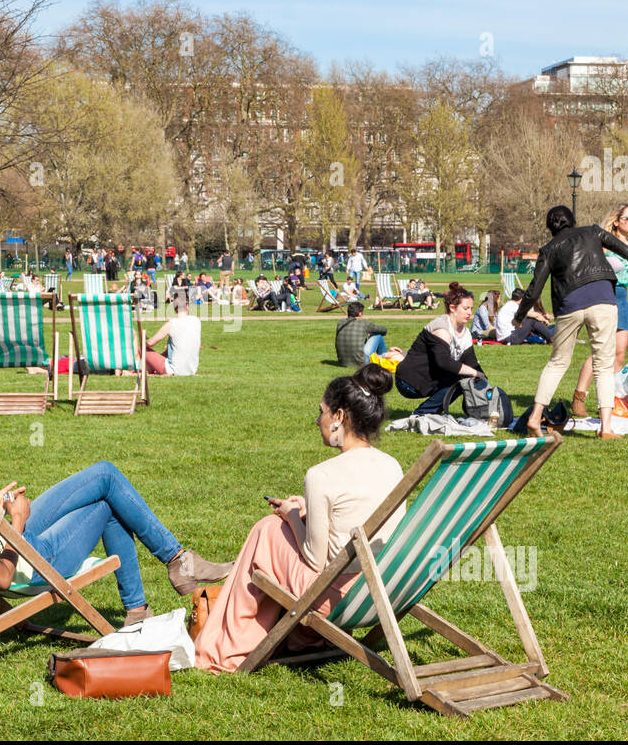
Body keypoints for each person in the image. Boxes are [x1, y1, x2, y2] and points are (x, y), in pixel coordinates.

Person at [194, 364, 403, 673]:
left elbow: (316, 561)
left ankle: (228, 646)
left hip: (336, 600)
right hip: (384, 590)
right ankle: (300, 638)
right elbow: (358, 514)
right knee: (275, 528)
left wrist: (292, 515)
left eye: (322, 412)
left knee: (268, 529)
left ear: (340, 417)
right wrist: (310, 508)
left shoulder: (322, 474)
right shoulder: (392, 465)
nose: (317, 420)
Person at [0, 463, 231, 627]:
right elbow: (1, 579)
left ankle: (165, 578)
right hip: (31, 556)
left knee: (106, 476)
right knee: (109, 503)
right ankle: (176, 565)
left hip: (3, 533)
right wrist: (17, 519)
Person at [516, 205, 628, 439]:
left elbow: (534, 290)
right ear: (573, 221)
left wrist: (519, 316)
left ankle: (535, 418)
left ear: (549, 227)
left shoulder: (549, 248)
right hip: (602, 300)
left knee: (557, 363)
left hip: (569, 304)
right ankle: (606, 428)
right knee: (604, 365)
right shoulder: (593, 232)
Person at [571, 203, 628, 417]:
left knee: (620, 353)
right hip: (606, 293)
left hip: (622, 296)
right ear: (616, 221)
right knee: (602, 351)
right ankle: (579, 397)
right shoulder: (605, 243)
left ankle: (609, 400)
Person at [387, 282, 487, 414]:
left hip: (430, 377)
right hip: (409, 381)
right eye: (466, 308)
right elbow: (444, 362)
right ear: (452, 308)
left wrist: (485, 382)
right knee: (460, 379)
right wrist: (473, 373)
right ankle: (422, 414)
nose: (470, 312)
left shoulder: (466, 333)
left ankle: (473, 411)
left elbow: (472, 363)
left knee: (465, 378)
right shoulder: (441, 328)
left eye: (471, 308)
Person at [144, 292, 201, 375]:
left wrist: (144, 342)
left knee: (142, 349)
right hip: (191, 369)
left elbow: (150, 343)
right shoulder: (196, 321)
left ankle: (142, 369)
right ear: (187, 306)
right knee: (169, 348)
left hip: (173, 370)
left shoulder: (172, 324)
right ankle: (151, 368)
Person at [335, 301, 389, 368]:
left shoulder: (340, 323)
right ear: (360, 313)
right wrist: (372, 332)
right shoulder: (363, 323)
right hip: (361, 362)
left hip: (342, 362)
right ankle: (385, 359)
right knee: (378, 335)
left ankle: (382, 358)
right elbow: (384, 329)